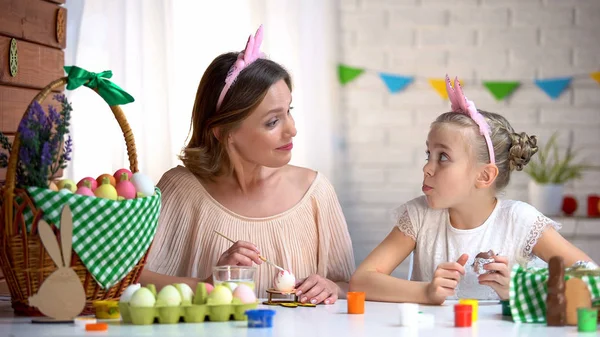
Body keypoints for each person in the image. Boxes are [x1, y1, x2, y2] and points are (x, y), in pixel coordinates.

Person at [140, 26, 355, 305]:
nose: (292, 130)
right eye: (272, 122)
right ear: (223, 132)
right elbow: (131, 280)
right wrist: (208, 284)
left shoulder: (316, 193)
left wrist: (331, 287)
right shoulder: (180, 190)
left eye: (288, 111)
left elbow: (349, 285)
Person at [349, 75, 594, 304]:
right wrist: (425, 291)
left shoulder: (519, 220)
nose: (427, 168)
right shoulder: (419, 216)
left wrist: (520, 288)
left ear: (484, 175)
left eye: (442, 157)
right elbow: (362, 280)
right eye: (428, 155)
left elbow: (591, 278)